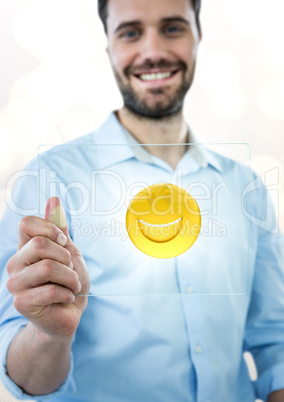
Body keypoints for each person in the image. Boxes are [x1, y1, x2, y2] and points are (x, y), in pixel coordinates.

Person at [0, 0, 284, 401]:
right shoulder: (49, 180)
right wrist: (48, 335)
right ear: (109, 47)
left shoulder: (246, 186)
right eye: (131, 32)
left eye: (172, 28)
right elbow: (22, 375)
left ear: (198, 36)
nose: (152, 50)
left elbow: (276, 345)